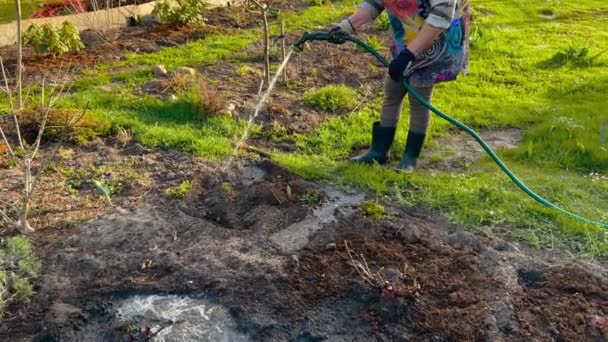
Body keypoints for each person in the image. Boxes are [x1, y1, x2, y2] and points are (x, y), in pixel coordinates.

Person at [330, 0, 471, 172]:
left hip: (436, 37)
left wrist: (409, 54)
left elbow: (441, 17)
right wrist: (346, 26)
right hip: (407, 36)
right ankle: (379, 152)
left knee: (419, 92)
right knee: (393, 88)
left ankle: (410, 158)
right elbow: (375, 3)